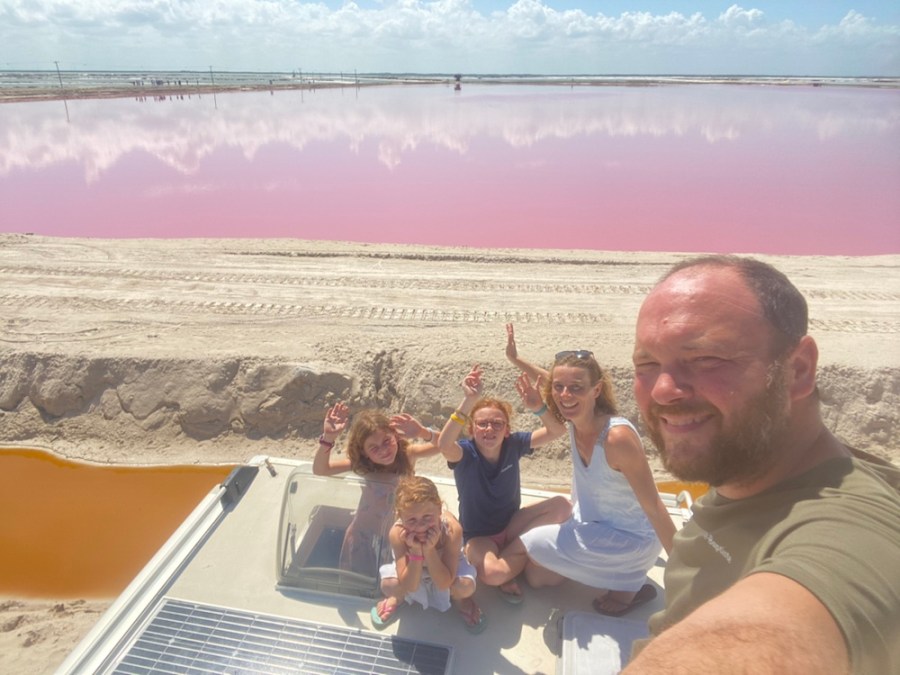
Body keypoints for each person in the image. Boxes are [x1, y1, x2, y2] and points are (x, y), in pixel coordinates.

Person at [624, 255, 900, 674]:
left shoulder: (853, 527)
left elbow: (775, 637)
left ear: (798, 370)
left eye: (705, 358)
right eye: (646, 364)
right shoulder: (743, 461)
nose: (663, 390)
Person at [505, 324, 677, 616]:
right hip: (590, 523)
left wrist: (683, 570)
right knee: (538, 578)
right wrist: (515, 359)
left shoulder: (616, 439)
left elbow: (654, 506)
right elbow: (549, 382)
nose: (565, 395)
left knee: (527, 545)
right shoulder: (575, 416)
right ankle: (624, 583)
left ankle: (627, 583)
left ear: (596, 390)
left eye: (576, 388)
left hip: (628, 538)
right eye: (559, 387)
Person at [436, 364, 571, 603]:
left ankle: (515, 555)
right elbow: (444, 445)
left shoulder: (514, 444)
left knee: (562, 505)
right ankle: (525, 556)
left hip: (512, 524)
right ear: (471, 430)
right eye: (482, 424)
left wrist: (538, 407)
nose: (490, 429)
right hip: (479, 536)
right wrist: (468, 401)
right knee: (493, 574)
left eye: (497, 424)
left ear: (507, 430)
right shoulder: (465, 453)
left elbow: (557, 431)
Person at [314, 403, 440, 574]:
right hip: (363, 535)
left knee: (395, 581)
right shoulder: (362, 464)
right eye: (374, 448)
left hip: (398, 536)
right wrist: (328, 438)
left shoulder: (408, 455)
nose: (384, 450)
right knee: (359, 581)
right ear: (364, 452)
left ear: (395, 435)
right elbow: (321, 470)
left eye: (387, 441)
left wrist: (422, 432)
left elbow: (445, 445)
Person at [371, 475, 486, 633]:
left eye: (427, 517)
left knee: (465, 587)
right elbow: (410, 586)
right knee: (388, 586)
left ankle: (461, 599)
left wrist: (430, 550)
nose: (421, 527)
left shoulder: (451, 531)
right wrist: (416, 552)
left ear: (439, 509)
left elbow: (444, 583)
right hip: (412, 569)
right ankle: (397, 597)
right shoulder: (397, 534)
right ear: (400, 516)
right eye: (412, 520)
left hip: (445, 568)